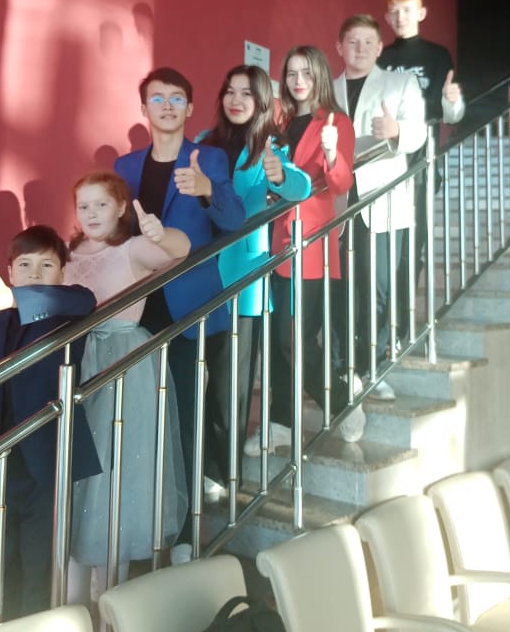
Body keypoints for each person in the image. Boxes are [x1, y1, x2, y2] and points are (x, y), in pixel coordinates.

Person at [114, 66, 245, 562]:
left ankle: (187, 534)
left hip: (191, 312)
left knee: (186, 419)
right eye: (157, 98)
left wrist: (208, 190)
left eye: (175, 98)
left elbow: (234, 221)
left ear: (189, 108)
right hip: (137, 310)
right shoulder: (125, 166)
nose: (166, 106)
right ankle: (144, 521)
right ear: (143, 108)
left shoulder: (208, 157)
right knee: (140, 418)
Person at [61, 171, 190, 616]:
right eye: (83, 206)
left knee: (114, 469)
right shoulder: (68, 253)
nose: (91, 213)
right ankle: (72, 603)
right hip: (78, 361)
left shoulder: (132, 248)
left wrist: (161, 232)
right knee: (78, 472)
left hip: (122, 362)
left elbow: (180, 250)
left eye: (101, 204)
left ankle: (107, 612)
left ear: (120, 207)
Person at [0, 225, 101, 622]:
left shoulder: (68, 315)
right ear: (9, 271)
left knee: (40, 576)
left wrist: (12, 298)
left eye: (46, 265)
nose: (35, 273)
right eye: (24, 265)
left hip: (48, 470)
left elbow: (85, 300)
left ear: (62, 273)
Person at [196, 64, 311, 490]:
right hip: (200, 276)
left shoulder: (270, 148)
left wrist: (281, 176)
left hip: (244, 282)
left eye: (247, 93)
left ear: (262, 102)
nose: (236, 100)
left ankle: (224, 473)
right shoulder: (204, 143)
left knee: (231, 385)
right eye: (230, 91)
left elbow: (300, 187)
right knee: (200, 380)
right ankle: (200, 465)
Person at [245, 46, 357, 455]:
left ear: (320, 75)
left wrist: (330, 152)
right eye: (291, 73)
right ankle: (280, 424)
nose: (298, 81)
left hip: (311, 245)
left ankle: (341, 402)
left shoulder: (336, 122)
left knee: (298, 340)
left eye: (306, 73)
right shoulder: (280, 122)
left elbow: (341, 183)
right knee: (277, 341)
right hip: (274, 242)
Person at [333, 15, 427, 398]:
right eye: (352, 42)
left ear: (380, 48)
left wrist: (397, 131)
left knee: (379, 287)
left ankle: (372, 367)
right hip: (336, 204)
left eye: (368, 42)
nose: (360, 49)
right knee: (339, 288)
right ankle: (342, 370)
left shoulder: (400, 83)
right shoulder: (327, 89)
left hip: (382, 201)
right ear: (339, 47)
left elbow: (418, 132)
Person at [379, 0, 466, 340]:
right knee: (384, 244)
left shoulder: (437, 55)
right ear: (387, 17)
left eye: (407, 10)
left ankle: (400, 325)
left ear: (421, 13)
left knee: (412, 244)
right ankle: (380, 326)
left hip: (421, 158)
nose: (400, 17)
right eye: (394, 12)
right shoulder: (381, 57)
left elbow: (452, 116)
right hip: (383, 158)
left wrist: (450, 100)